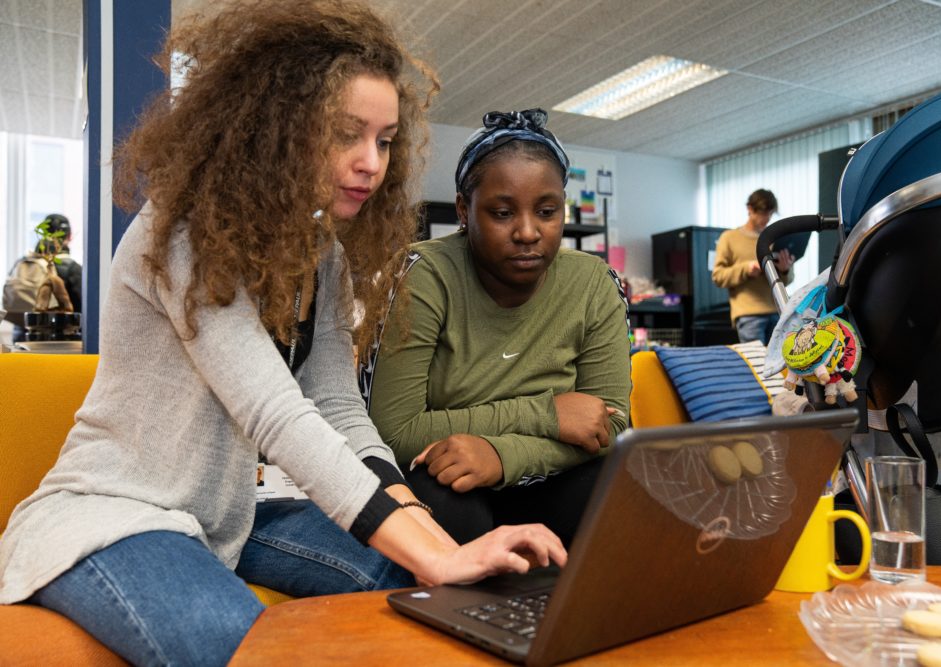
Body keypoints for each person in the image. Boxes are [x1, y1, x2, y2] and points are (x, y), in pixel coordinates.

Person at [0, 4, 565, 665]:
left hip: (230, 514)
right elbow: (276, 412)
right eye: (345, 135)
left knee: (420, 583)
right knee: (253, 646)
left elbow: (338, 405)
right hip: (114, 514)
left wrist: (410, 510)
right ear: (279, 126)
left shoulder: (323, 256)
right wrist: (437, 551)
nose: (370, 163)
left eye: (384, 140)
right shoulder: (180, 232)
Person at [362, 109, 631, 546]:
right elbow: (394, 433)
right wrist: (548, 414)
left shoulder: (594, 283)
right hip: (449, 479)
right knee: (444, 502)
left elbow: (609, 426)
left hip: (545, 474)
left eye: (547, 211)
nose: (528, 232)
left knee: (625, 485)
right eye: (502, 213)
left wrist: (502, 456)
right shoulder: (421, 276)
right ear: (464, 210)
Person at [711, 188, 794, 344]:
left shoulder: (773, 238)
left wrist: (785, 270)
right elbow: (718, 276)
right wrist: (747, 269)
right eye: (763, 213)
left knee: (782, 364)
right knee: (757, 365)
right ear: (750, 209)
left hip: (778, 312)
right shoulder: (729, 238)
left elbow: (788, 280)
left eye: (770, 214)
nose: (767, 218)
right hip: (749, 315)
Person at [2, 213, 82, 341]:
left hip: (22, 339)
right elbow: (84, 310)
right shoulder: (73, 269)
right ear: (69, 236)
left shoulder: (22, 262)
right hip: (56, 343)